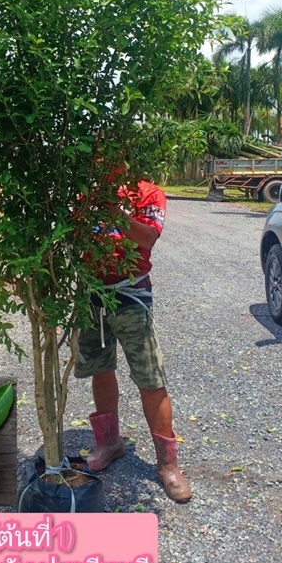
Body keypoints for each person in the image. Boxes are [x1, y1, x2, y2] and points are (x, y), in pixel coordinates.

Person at [74, 177, 192, 502]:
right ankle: (109, 443)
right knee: (100, 368)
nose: (101, 158)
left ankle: (168, 465)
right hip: (91, 296)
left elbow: (149, 237)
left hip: (131, 296)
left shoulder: (147, 193)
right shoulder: (83, 191)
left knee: (149, 377)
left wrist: (115, 214)